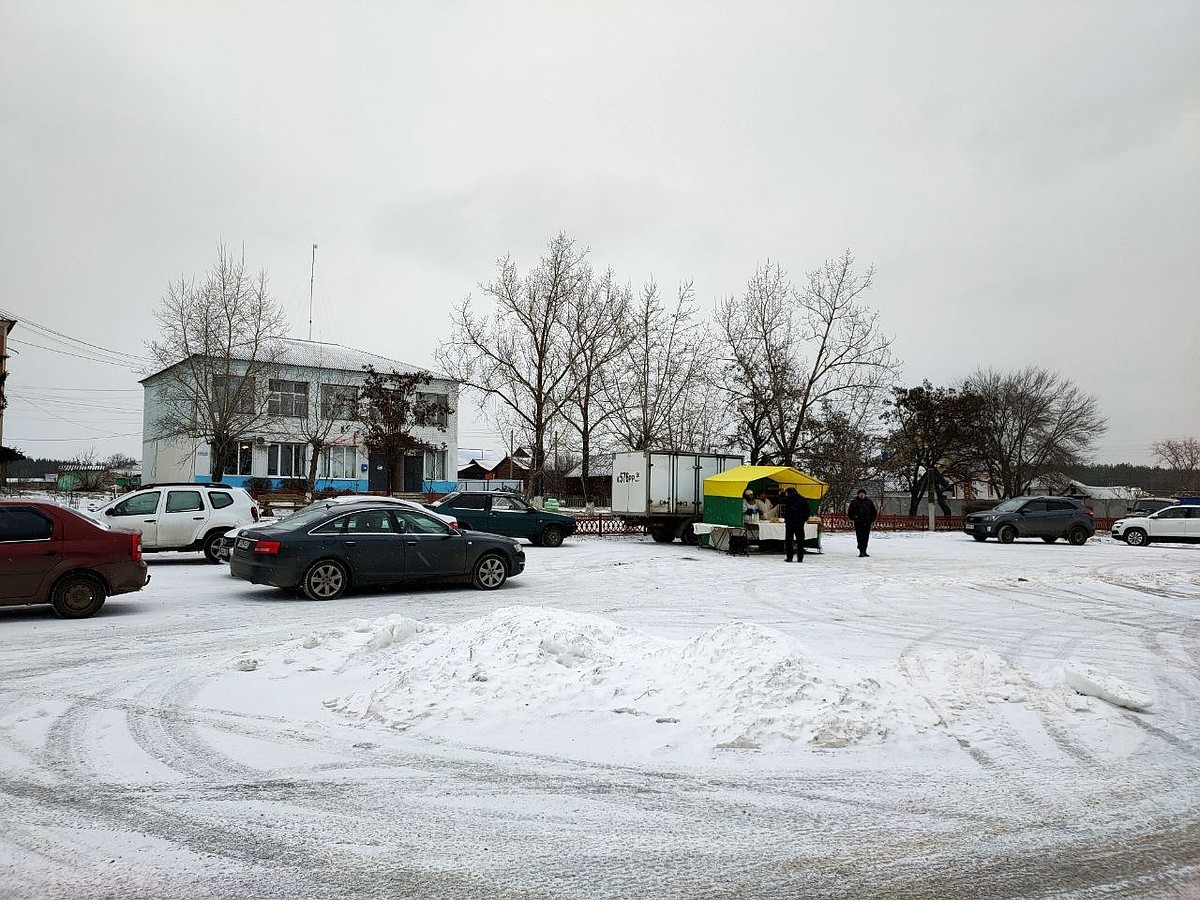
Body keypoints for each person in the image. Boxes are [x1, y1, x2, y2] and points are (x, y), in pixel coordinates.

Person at [779, 487, 811, 562]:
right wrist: (804, 519)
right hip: (799, 523)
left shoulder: (788, 499)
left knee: (789, 540)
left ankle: (789, 557)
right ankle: (800, 558)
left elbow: (779, 501)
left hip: (790, 523)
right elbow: (808, 510)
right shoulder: (802, 499)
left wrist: (782, 494)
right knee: (800, 541)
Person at [847, 487, 877, 557]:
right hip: (858, 523)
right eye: (860, 494)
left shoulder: (869, 502)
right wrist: (854, 518)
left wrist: (872, 519)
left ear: (865, 495)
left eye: (863, 494)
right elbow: (850, 512)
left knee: (866, 537)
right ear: (858, 495)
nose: (861, 495)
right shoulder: (854, 502)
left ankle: (864, 550)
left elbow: (874, 511)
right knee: (860, 536)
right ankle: (861, 551)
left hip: (867, 522)